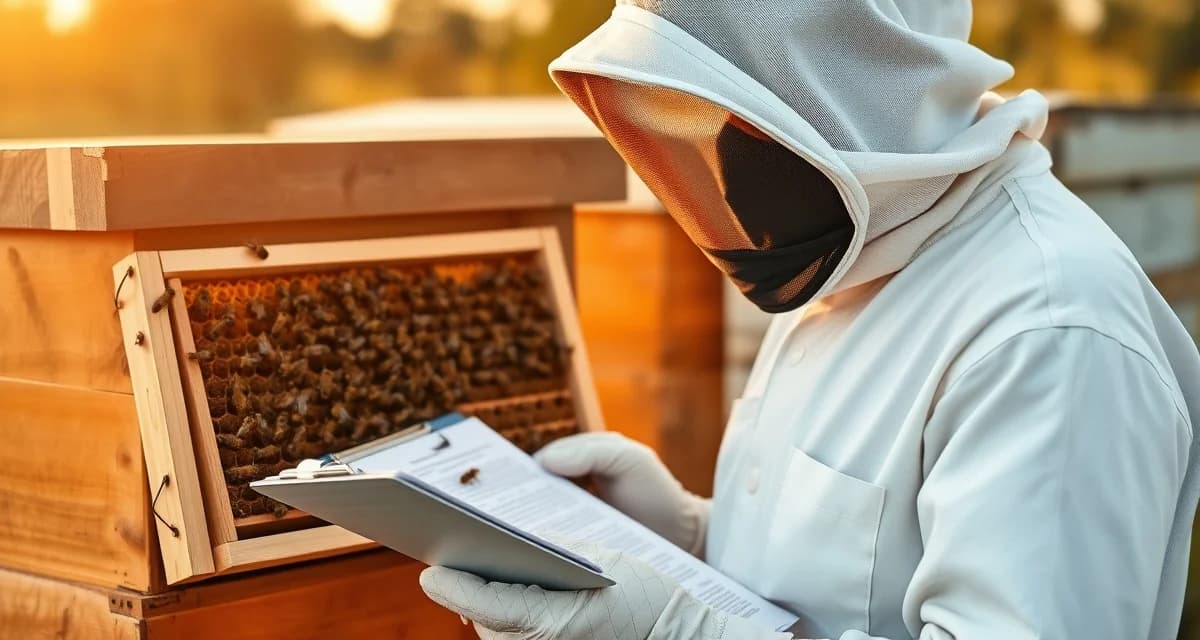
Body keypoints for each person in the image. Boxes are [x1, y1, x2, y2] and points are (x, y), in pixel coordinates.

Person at [419, 1, 1200, 638]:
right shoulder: (872, 246)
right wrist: (691, 538)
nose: (723, 167)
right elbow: (854, 576)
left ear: (848, 80)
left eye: (743, 123)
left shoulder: (1050, 332)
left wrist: (676, 632)